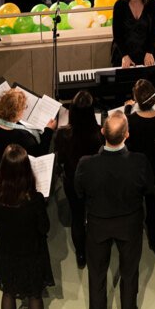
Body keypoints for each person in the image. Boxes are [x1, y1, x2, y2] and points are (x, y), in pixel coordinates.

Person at [74, 112, 155, 309]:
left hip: (98, 226)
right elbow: (149, 189)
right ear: (127, 136)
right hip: (129, 227)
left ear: (103, 133)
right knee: (129, 274)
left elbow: (79, 192)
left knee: (97, 274)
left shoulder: (86, 164)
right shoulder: (139, 162)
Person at [0, 144, 57, 309]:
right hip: (31, 251)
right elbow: (44, 228)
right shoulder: (34, 199)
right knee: (35, 294)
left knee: (8, 290)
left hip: (7, 248)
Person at [54, 91, 102, 267]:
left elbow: (60, 161)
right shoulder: (98, 134)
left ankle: (81, 255)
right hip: (93, 181)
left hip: (73, 181)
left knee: (77, 215)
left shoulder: (63, 134)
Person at [124, 78, 155, 251]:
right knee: (153, 205)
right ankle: (153, 237)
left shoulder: (131, 120)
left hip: (137, 168)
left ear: (136, 100)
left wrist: (127, 108)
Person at [0, 88, 55, 180]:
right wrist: (49, 130)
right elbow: (40, 154)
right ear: (17, 113)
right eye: (24, 107)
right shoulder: (24, 138)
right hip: (17, 178)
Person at [111, 0, 155, 67]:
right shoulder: (120, 4)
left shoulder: (152, 3)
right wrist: (124, 55)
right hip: (123, 51)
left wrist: (149, 51)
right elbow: (116, 33)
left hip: (146, 51)